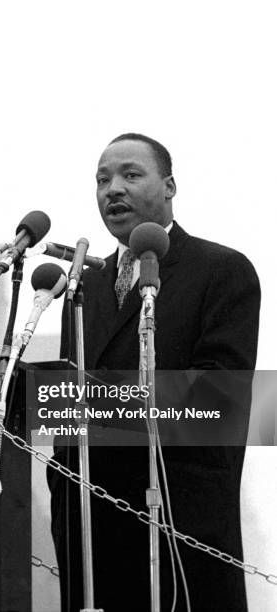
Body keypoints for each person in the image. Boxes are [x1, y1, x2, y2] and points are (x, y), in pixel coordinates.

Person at [48, 133, 261, 611]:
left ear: (169, 186)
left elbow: (219, 401)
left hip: (179, 537)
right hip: (89, 536)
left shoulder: (220, 269)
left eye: (130, 174)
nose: (112, 189)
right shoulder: (87, 285)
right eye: (102, 180)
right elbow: (64, 404)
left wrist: (96, 404)